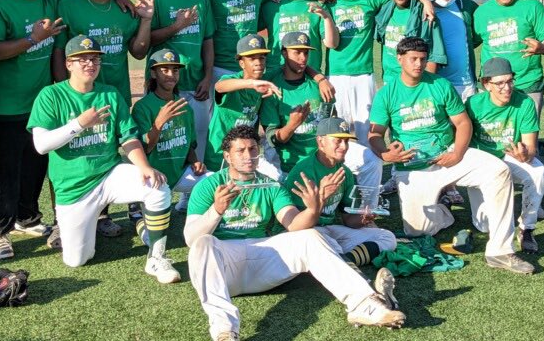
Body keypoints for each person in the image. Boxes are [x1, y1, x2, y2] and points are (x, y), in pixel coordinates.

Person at [184, 125, 405, 341]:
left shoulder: (271, 185)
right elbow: (190, 237)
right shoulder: (208, 186)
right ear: (227, 156)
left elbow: (293, 224)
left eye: (252, 149)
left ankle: (365, 305)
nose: (248, 156)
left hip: (262, 257)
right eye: (240, 151)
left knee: (310, 235)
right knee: (203, 244)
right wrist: (217, 210)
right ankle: (225, 335)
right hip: (225, 265)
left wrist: (314, 207)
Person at [368, 37, 533, 274]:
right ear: (400, 59)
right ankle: (444, 212)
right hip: (413, 167)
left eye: (423, 59)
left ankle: (500, 251)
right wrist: (385, 154)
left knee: (498, 170)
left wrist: (457, 153)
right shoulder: (387, 93)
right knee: (418, 231)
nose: (418, 64)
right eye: (413, 58)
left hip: (447, 155)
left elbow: (463, 123)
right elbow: (375, 133)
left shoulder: (440, 85)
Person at [27, 35, 180, 283]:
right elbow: (41, 145)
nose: (90, 63)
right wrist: (79, 124)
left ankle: (156, 258)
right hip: (74, 188)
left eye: (95, 59)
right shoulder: (51, 95)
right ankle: (94, 228)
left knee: (157, 186)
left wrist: (144, 166)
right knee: (77, 260)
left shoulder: (109, 93)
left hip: (109, 174)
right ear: (68, 64)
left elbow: (129, 137)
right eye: (82, 59)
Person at [54, 0, 154, 237]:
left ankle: (102, 215)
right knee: (75, 153)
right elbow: (61, 52)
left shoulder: (125, 10)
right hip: (80, 96)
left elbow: (137, 50)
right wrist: (64, 93)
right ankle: (67, 219)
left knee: (109, 152)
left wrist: (145, 19)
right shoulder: (69, 6)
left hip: (116, 94)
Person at [0, 0, 64, 259]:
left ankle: (26, 219)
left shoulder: (50, 0)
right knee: (1, 175)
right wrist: (32, 39)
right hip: (3, 106)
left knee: (34, 168)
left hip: (39, 106)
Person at [325, 0, 433, 143]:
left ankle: (369, 167)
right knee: (338, 128)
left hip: (364, 74)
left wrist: (425, 0)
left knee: (366, 129)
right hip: (335, 74)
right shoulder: (329, 3)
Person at [260, 32, 383, 188]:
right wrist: (292, 124)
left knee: (372, 161)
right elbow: (274, 140)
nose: (303, 58)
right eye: (296, 52)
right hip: (293, 161)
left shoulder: (319, 85)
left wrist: (321, 79)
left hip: (325, 152)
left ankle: (367, 209)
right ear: (284, 53)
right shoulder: (274, 88)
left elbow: (332, 120)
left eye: (305, 52)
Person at [285, 116, 397, 265]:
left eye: (346, 141)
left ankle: (348, 261)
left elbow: (348, 219)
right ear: (320, 141)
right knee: (321, 244)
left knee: (387, 237)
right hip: (308, 234)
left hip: (330, 231)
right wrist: (321, 197)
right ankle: (339, 258)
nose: (344, 146)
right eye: (337, 140)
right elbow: (295, 226)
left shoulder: (345, 172)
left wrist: (363, 217)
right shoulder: (303, 173)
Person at [466, 58, 544, 253]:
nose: (507, 87)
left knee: (538, 172)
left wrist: (525, 155)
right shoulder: (473, 103)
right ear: (486, 84)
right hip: (482, 161)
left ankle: (527, 228)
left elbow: (531, 148)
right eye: (500, 83)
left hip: (509, 156)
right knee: (484, 226)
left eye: (510, 81)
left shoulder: (524, 102)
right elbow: (463, 141)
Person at [146, 0, 214, 164]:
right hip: (163, 84)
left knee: (200, 141)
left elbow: (207, 39)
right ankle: (153, 196)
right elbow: (146, 40)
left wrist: (207, 76)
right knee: (162, 142)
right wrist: (177, 26)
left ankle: (192, 198)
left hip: (196, 83)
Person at [473, 0, 544, 120]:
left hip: (528, 82)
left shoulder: (533, 7)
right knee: (492, 132)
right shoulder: (481, 12)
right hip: (492, 84)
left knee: (528, 135)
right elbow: (472, 41)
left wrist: (543, 47)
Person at [131, 48, 209, 216]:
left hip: (179, 174)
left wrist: (195, 162)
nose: (171, 74)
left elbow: (189, 143)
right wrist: (159, 122)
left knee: (215, 183)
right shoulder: (142, 107)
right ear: (153, 74)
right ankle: (137, 212)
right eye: (164, 70)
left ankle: (198, 219)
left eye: (175, 70)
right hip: (153, 177)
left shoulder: (185, 106)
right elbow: (144, 149)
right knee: (154, 233)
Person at [203, 34, 283, 179]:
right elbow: (220, 87)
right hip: (220, 154)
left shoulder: (264, 83)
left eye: (262, 58)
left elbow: (288, 67)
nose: (258, 62)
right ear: (241, 63)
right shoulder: (231, 80)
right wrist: (252, 83)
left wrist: (319, 78)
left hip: (247, 154)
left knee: (274, 176)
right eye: (252, 59)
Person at [261, 0, 338, 72]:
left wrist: (325, 15)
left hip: (309, 73)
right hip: (277, 72)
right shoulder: (271, 5)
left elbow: (331, 44)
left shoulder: (317, 5)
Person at [373, 0, 446, 82]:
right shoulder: (385, 9)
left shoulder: (426, 13)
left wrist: (426, 85)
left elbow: (434, 55)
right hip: (389, 79)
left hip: (414, 82)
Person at [429, 0, 479, 101]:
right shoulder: (427, 10)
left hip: (467, 84)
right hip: (440, 82)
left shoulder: (465, 6)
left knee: (469, 121)